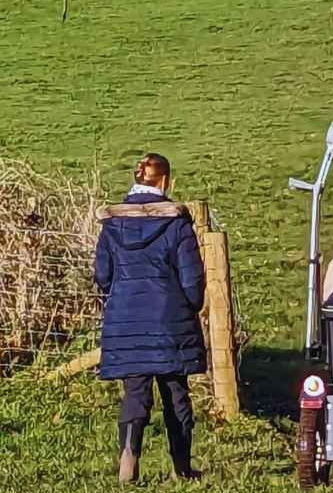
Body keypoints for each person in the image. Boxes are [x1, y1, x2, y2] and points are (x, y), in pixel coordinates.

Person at [94, 153, 206, 483]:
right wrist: (190, 306)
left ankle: (129, 457)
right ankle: (182, 467)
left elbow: (102, 275)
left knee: (136, 394)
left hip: (126, 319)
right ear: (165, 180)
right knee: (176, 396)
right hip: (170, 321)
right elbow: (192, 279)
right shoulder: (176, 223)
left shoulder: (113, 223)